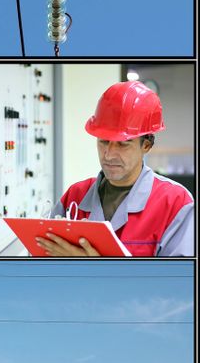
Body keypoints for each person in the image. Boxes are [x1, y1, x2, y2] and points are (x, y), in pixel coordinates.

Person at [38, 81, 194, 257]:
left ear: (147, 145)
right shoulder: (75, 196)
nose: (109, 154)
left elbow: (177, 281)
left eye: (122, 144)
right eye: (103, 141)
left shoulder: (175, 203)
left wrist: (101, 269)